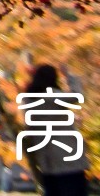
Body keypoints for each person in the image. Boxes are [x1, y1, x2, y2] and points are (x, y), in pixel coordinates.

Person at [21, 65, 91, 196]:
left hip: (46, 160)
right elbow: (78, 96)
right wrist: (71, 76)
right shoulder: (51, 95)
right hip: (67, 158)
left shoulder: (28, 100)